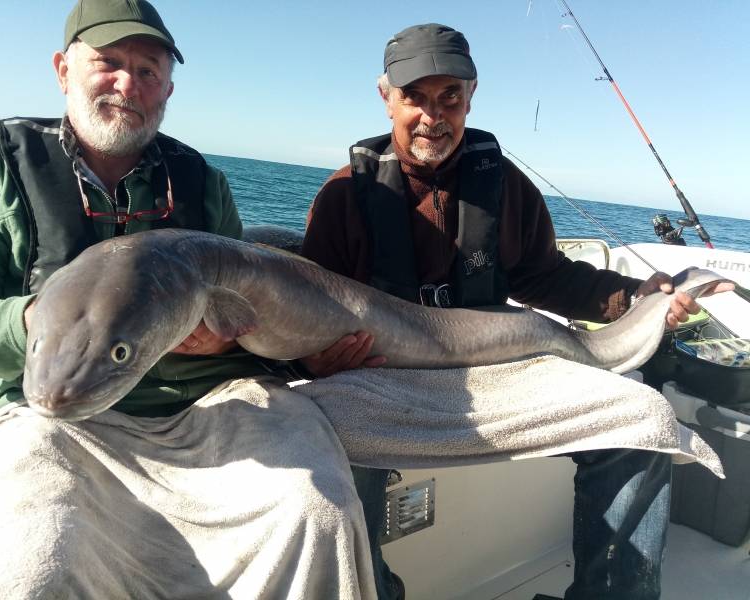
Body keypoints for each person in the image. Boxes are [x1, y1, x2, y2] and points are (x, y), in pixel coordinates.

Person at [0, 1, 373, 597]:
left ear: (168, 88)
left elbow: (247, 318)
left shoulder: (205, 183)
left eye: (148, 71)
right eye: (109, 63)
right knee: (32, 559)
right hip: (52, 415)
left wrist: (297, 356)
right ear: (62, 70)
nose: (128, 84)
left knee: (314, 508)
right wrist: (38, 324)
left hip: (209, 406)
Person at [299, 23, 733, 600]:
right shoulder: (344, 196)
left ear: (471, 97)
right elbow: (308, 308)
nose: (434, 115)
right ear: (387, 99)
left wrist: (635, 297)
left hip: (500, 372)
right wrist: (319, 358)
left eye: (449, 96)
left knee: (642, 421)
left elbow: (545, 276)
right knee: (321, 468)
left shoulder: (504, 186)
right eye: (415, 98)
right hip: (382, 381)